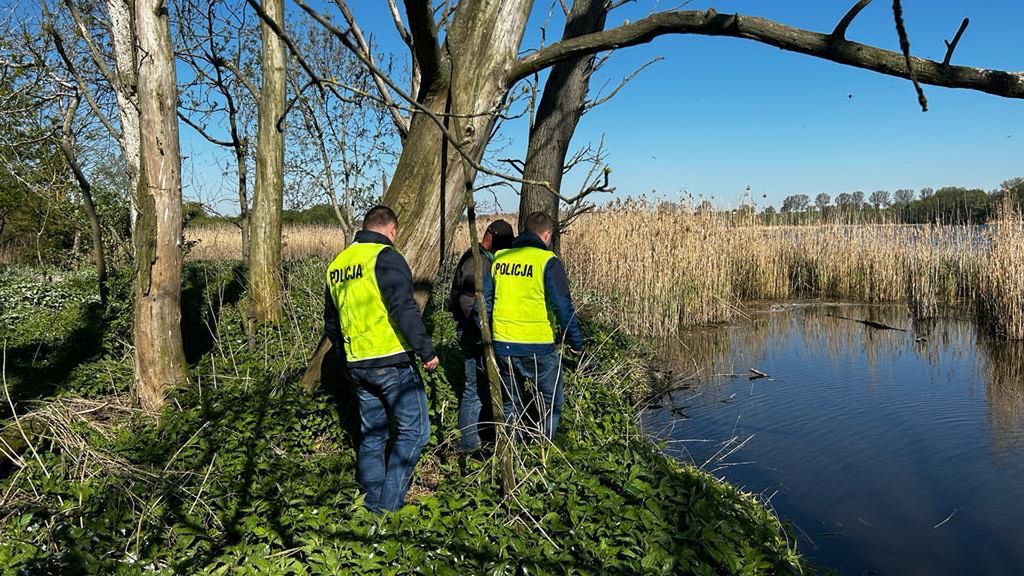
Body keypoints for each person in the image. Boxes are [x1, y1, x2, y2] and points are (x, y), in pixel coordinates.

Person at [324, 205, 439, 513]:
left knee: (373, 435)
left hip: (357, 364)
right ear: (391, 230)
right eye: (395, 234)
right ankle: (386, 509)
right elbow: (404, 308)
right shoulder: (386, 258)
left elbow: (331, 324)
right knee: (416, 432)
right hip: (391, 362)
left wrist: (346, 356)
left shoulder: (338, 264)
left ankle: (370, 503)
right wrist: (426, 351)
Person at [484, 211, 584, 440]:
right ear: (547, 235)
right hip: (538, 346)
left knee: (512, 404)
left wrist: (489, 334)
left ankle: (512, 455)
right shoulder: (547, 261)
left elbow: (484, 303)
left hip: (503, 345)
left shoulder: (500, 259)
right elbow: (563, 307)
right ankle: (542, 455)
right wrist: (576, 344)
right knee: (550, 405)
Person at [448, 219, 514, 452]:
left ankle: (482, 437)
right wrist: (482, 329)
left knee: (482, 388)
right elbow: (468, 300)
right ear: (493, 238)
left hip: (475, 332)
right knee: (474, 390)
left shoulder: (482, 258)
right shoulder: (477, 262)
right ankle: (469, 445)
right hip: (473, 333)